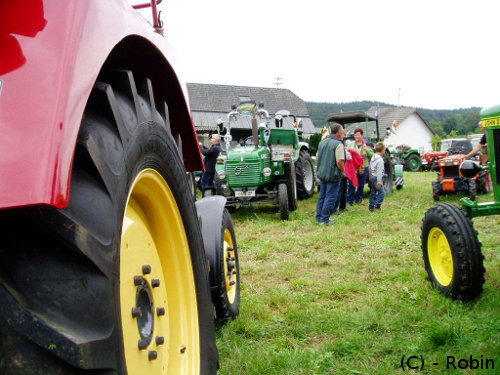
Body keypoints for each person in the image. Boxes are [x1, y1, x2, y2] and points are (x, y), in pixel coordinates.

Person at [315, 124, 346, 225]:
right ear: (338, 132)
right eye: (342, 130)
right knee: (330, 197)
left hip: (322, 174)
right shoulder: (338, 144)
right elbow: (339, 162)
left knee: (322, 196)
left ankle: (319, 217)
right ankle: (324, 219)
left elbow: (317, 159)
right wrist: (344, 171)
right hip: (333, 175)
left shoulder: (322, 143)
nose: (343, 132)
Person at [346, 128, 373, 205]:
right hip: (353, 168)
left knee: (361, 184)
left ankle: (359, 199)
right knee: (351, 184)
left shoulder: (366, 145)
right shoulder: (350, 145)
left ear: (362, 135)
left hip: (364, 167)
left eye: (358, 135)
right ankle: (350, 200)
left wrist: (366, 150)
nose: (356, 136)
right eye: (355, 135)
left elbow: (372, 155)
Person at [369, 142, 386, 212]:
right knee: (382, 193)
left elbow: (370, 167)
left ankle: (371, 206)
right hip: (377, 177)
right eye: (384, 149)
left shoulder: (373, 157)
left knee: (373, 191)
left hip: (372, 176)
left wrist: (370, 177)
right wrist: (379, 182)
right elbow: (379, 172)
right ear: (382, 150)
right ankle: (377, 206)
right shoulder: (380, 160)